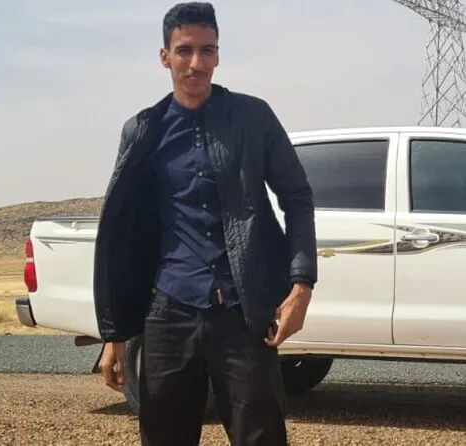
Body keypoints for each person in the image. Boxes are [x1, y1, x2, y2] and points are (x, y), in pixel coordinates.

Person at [92, 2, 317, 445]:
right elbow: (122, 232)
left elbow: (297, 197)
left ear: (218, 55)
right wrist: (114, 333)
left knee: (262, 437)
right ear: (165, 57)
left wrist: (301, 285)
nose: (196, 63)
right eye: (184, 50)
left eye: (207, 50)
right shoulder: (143, 130)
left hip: (243, 313)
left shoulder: (253, 118)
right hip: (168, 313)